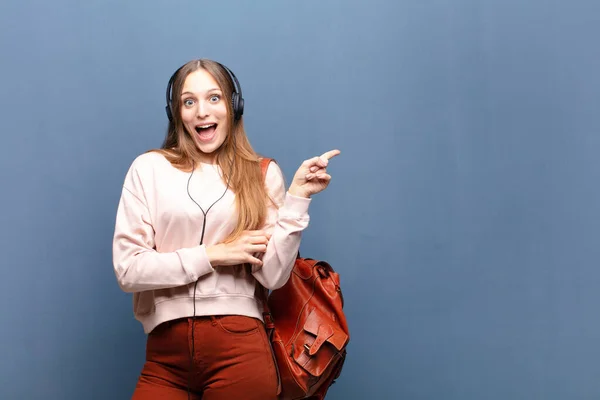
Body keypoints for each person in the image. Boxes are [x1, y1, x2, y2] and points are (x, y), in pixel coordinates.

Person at [112, 58, 340, 400]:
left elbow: (274, 277)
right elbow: (128, 269)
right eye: (189, 102)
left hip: (239, 350)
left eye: (214, 98)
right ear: (177, 114)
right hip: (164, 357)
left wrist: (297, 199)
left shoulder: (261, 174)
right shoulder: (148, 169)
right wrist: (214, 254)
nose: (202, 111)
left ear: (234, 106)